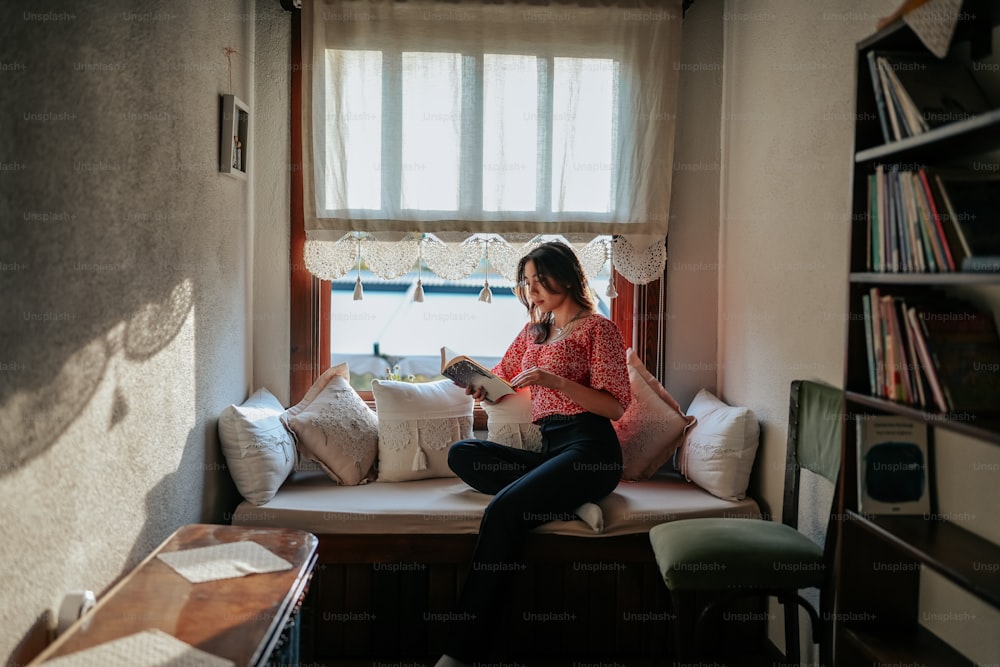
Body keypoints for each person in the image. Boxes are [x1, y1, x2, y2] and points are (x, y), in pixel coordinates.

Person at [434, 240, 632, 667]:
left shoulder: (599, 329)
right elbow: (503, 378)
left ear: (569, 276)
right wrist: (478, 384)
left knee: (505, 510)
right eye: (526, 282)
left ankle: (460, 650)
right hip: (551, 450)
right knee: (463, 453)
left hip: (591, 448)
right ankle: (568, 503)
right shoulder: (533, 332)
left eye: (540, 280)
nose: (533, 289)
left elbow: (615, 405)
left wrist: (553, 381)